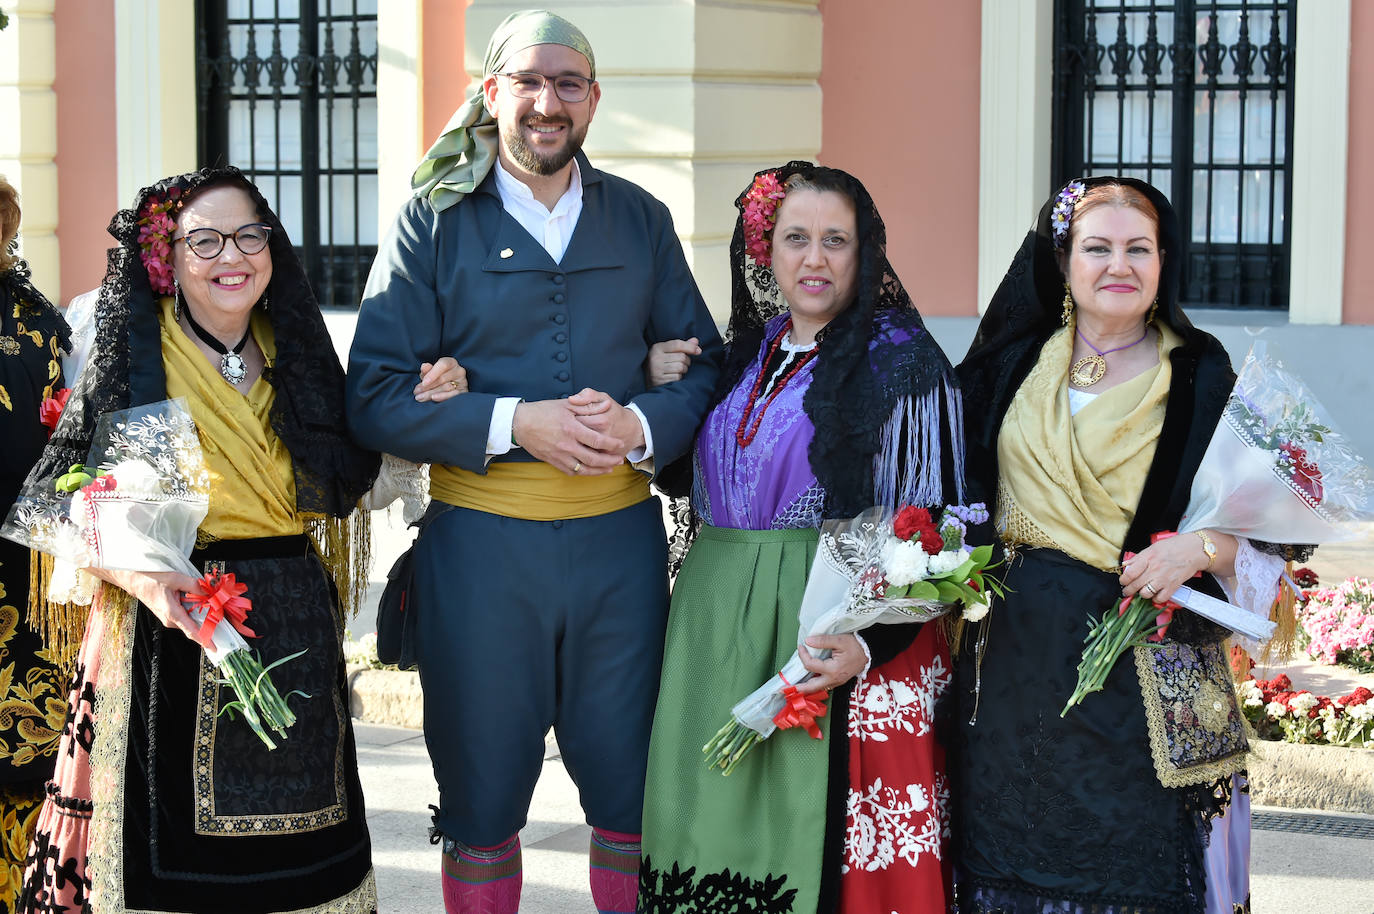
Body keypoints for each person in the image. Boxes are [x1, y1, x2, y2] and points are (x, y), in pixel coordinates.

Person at [344, 10, 722, 914]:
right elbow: (375, 396)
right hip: (481, 557)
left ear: (594, 99)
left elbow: (706, 370)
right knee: (480, 799)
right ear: (491, 93)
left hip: (619, 557)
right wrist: (516, 422)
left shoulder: (641, 218)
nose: (547, 103)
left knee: (631, 793)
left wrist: (638, 419)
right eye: (528, 82)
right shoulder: (431, 224)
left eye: (568, 85)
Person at [15, 166, 388, 913]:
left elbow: (352, 473)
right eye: (205, 240)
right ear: (166, 257)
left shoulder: (301, 353)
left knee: (305, 855)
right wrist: (153, 583)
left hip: (289, 612)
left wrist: (419, 401)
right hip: (165, 623)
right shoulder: (124, 347)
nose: (232, 257)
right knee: (172, 864)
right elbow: (71, 505)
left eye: (250, 236)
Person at [953, 177, 1293, 913]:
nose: (1119, 265)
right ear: (1064, 260)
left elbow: (1271, 544)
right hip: (1014, 678)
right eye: (1097, 247)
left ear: (1164, 261)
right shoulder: (1010, 366)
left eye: (1138, 249)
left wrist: (1198, 549)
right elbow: (951, 497)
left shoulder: (1203, 376)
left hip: (1145, 673)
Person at [637, 162, 965, 914]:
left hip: (832, 638)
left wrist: (870, 641)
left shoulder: (903, 366)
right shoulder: (745, 356)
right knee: (705, 836)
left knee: (810, 857)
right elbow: (684, 469)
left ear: (865, 252)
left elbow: (938, 529)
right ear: (766, 252)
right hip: (715, 626)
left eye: (834, 240)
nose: (813, 259)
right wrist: (654, 376)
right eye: (795, 239)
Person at [0, 177, 68, 912]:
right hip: (31, 572)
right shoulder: (40, 319)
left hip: (27, 582)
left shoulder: (41, 323)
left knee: (28, 780)